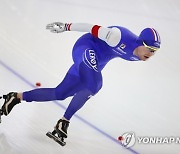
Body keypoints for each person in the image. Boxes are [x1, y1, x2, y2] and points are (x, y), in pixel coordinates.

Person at [0, 22, 161, 139]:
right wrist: (65, 26)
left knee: (60, 93)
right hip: (85, 48)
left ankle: (16, 97)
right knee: (95, 84)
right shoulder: (118, 36)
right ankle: (64, 121)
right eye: (150, 49)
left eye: (155, 51)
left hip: (96, 62)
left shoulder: (139, 55)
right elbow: (91, 28)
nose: (151, 54)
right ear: (141, 42)